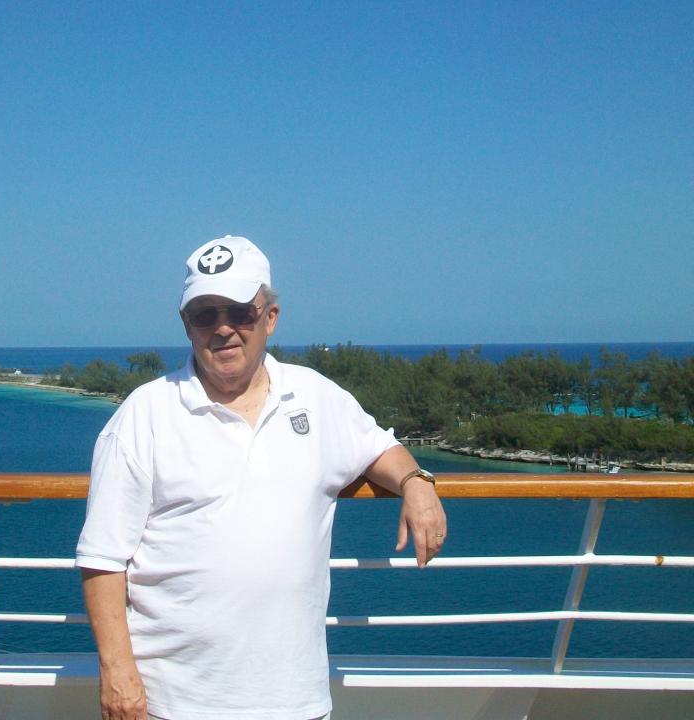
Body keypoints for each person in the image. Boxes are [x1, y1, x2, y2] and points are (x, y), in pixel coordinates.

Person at [76, 236, 447, 720]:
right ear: (186, 324)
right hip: (176, 702)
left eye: (240, 312)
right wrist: (117, 672)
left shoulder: (314, 396)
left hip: (295, 701)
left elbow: (381, 447)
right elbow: (103, 556)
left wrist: (418, 482)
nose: (223, 328)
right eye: (205, 314)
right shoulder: (143, 416)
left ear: (270, 318)